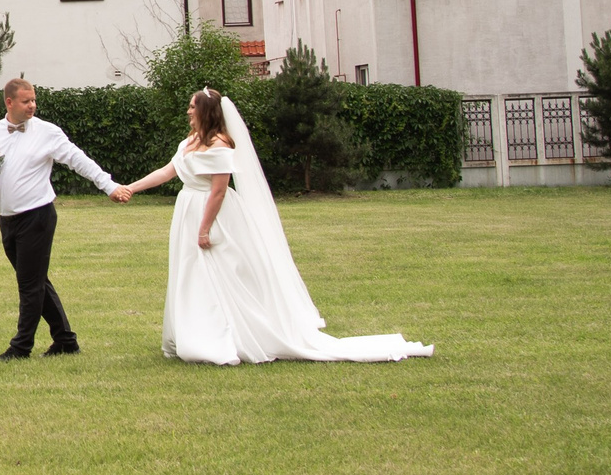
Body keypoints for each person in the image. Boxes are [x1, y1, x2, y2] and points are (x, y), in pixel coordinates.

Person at [112, 87, 434, 365]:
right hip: (188, 207)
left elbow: (219, 190)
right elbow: (168, 171)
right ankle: (193, 332)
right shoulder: (190, 141)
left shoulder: (220, 145)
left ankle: (228, 338)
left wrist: (204, 228)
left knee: (222, 273)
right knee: (190, 273)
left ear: (206, 112)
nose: (188, 111)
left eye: (193, 106)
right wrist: (131, 188)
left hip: (213, 214)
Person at [0, 77, 130, 360]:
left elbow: (78, 159)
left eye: (33, 100)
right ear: (9, 102)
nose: (32, 105)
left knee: (29, 284)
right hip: (7, 219)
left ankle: (20, 347)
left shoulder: (48, 132)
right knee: (36, 281)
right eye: (26, 101)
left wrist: (109, 186)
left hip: (37, 216)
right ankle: (65, 340)